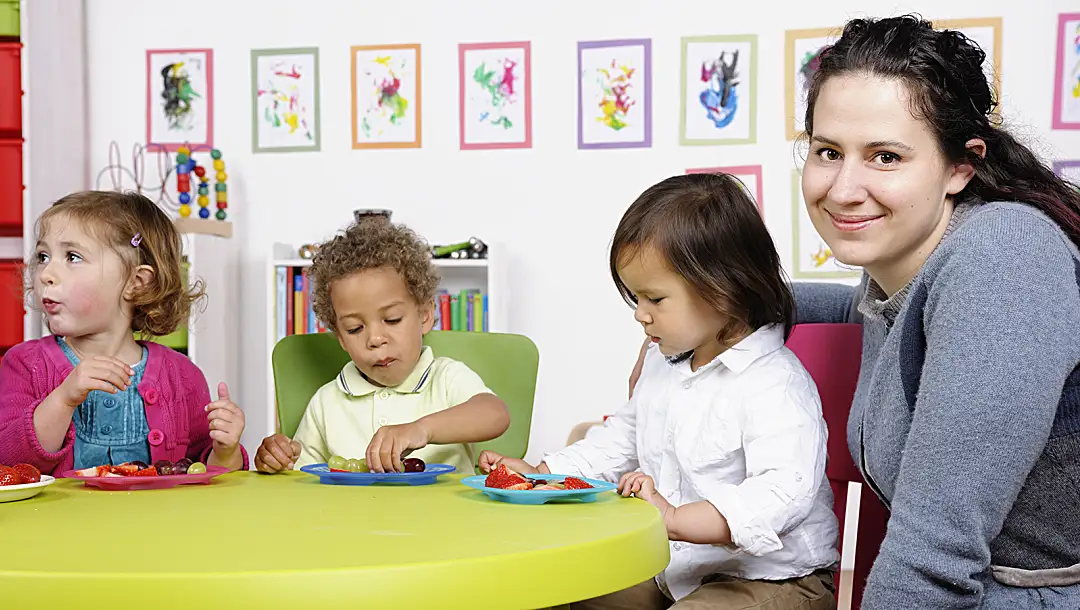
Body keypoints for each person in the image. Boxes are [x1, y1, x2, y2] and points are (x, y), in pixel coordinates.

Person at [629, 15, 1080, 609]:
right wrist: (711, 306)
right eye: (827, 151)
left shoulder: (1004, 260)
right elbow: (859, 311)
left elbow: (934, 559)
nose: (843, 188)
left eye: (885, 156)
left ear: (960, 166)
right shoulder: (909, 270)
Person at [482, 173, 839, 609]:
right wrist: (540, 472)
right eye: (635, 298)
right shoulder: (662, 364)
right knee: (565, 594)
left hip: (777, 578)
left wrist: (674, 518)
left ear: (722, 291)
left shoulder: (774, 381)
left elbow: (784, 491)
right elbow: (621, 440)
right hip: (679, 569)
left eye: (654, 299)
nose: (639, 315)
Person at [0, 191, 247, 474]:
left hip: (159, 520)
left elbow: (205, 475)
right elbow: (10, 464)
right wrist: (63, 399)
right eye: (43, 256)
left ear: (136, 282)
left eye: (72, 257)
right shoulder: (25, 364)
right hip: (58, 519)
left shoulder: (182, 376)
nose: (45, 274)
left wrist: (225, 450)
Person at [255, 218, 510, 475]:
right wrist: (278, 458)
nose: (375, 339)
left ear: (425, 314)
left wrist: (422, 429)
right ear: (340, 337)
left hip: (445, 514)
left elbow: (495, 414)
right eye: (355, 328)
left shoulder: (445, 378)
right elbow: (301, 477)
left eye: (392, 320)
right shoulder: (327, 402)